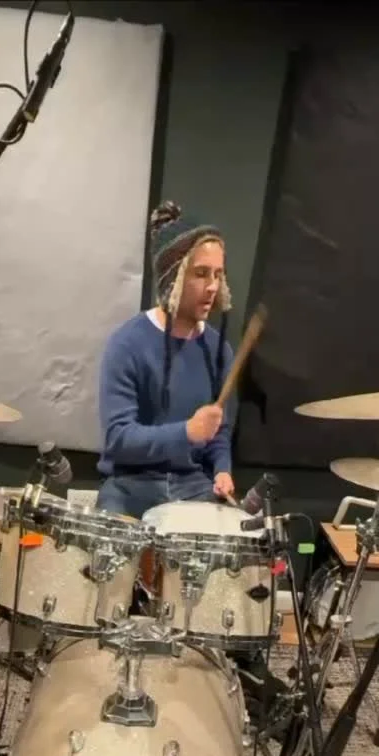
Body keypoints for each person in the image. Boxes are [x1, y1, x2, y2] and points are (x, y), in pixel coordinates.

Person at [95, 200, 238, 519]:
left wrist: (222, 469)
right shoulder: (127, 343)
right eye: (201, 274)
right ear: (172, 279)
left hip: (193, 486)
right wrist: (186, 432)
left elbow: (218, 431)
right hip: (130, 486)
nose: (213, 287)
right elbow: (118, 439)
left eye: (218, 274)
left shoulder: (218, 350)